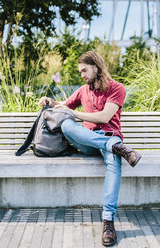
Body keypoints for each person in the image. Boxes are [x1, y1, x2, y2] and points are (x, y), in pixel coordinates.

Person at [39, 51, 142, 247]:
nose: (83, 75)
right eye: (81, 72)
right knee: (67, 125)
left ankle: (108, 221)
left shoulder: (117, 88)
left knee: (113, 164)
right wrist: (49, 101)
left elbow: (104, 117)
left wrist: (75, 113)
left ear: (96, 66)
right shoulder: (82, 90)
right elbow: (63, 107)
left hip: (110, 136)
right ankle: (117, 148)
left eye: (85, 70)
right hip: (89, 143)